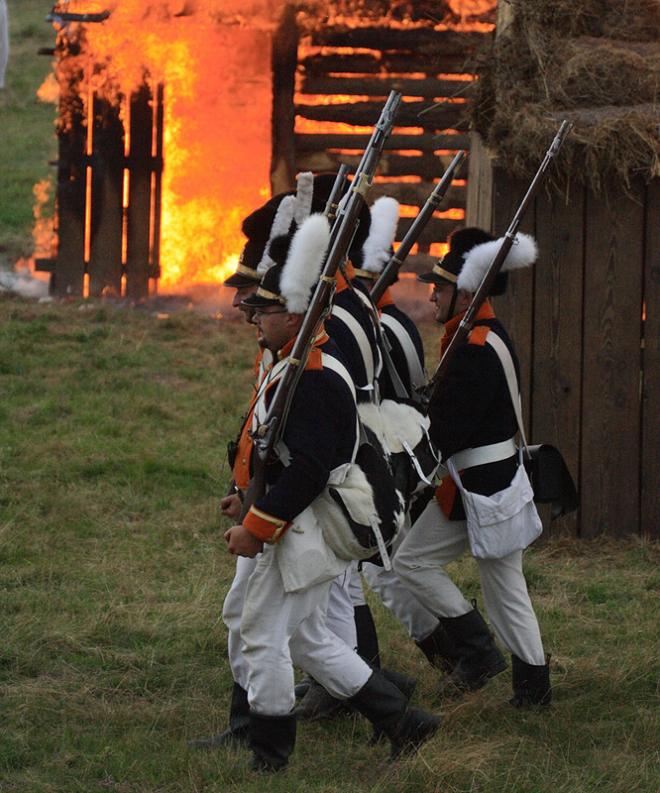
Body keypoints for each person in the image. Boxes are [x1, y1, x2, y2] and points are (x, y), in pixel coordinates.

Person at [223, 212, 440, 772]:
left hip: (305, 525)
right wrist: (245, 495)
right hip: (298, 520)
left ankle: (269, 755)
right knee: (312, 639)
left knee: (262, 633)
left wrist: (257, 524)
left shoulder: (316, 374)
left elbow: (311, 468)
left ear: (294, 312)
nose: (253, 319)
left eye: (263, 310)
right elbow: (272, 448)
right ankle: (404, 720)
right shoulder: (294, 363)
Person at [393, 227, 552, 708]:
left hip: (481, 487)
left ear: (464, 291)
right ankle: (529, 685)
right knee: (505, 587)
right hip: (484, 482)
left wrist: (402, 463)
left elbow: (445, 433)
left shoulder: (474, 348)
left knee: (413, 562)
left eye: (439, 287)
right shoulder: (477, 337)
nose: (431, 294)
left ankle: (482, 653)